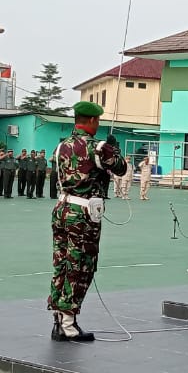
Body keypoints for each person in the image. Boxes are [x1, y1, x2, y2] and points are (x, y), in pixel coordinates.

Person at [49, 101, 128, 342]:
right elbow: (122, 169)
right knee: (81, 266)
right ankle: (69, 324)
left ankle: (58, 321)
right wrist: (114, 150)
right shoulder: (98, 147)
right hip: (83, 213)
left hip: (62, 208)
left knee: (62, 264)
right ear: (92, 121)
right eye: (98, 120)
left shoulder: (61, 145)